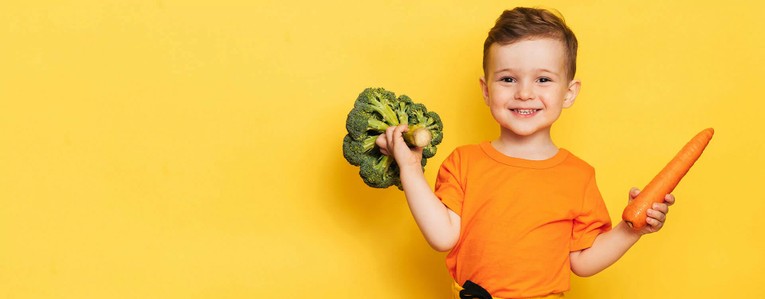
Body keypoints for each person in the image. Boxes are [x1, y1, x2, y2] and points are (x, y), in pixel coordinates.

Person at [375, 7, 675, 299]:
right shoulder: (463, 162)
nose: (524, 93)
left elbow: (582, 261)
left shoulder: (579, 176)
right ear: (486, 89)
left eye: (543, 79)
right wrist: (411, 168)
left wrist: (631, 230)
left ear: (568, 93)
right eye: (508, 79)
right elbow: (442, 237)